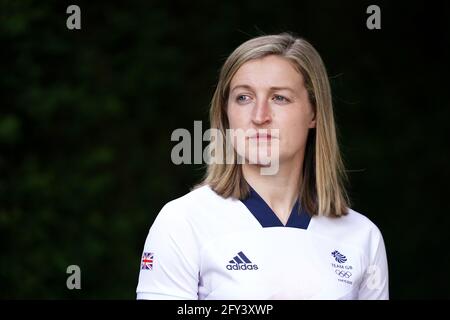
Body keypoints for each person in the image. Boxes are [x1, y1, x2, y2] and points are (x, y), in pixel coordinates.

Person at [136, 33, 389, 300]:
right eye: (243, 97)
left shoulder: (362, 237)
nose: (259, 117)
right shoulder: (183, 222)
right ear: (225, 112)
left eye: (279, 98)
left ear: (314, 113)